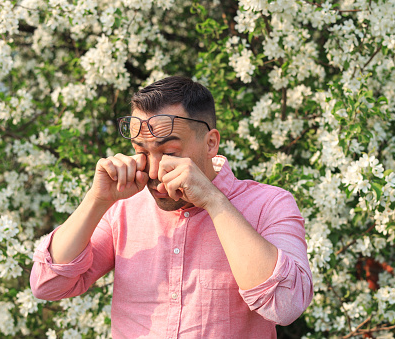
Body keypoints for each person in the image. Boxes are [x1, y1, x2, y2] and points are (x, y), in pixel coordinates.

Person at [30, 76, 313, 338]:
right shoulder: (123, 207)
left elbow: (286, 306)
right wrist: (96, 200)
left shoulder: (269, 204)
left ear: (211, 143)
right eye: (141, 151)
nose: (153, 170)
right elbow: (48, 285)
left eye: (169, 153)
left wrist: (214, 201)